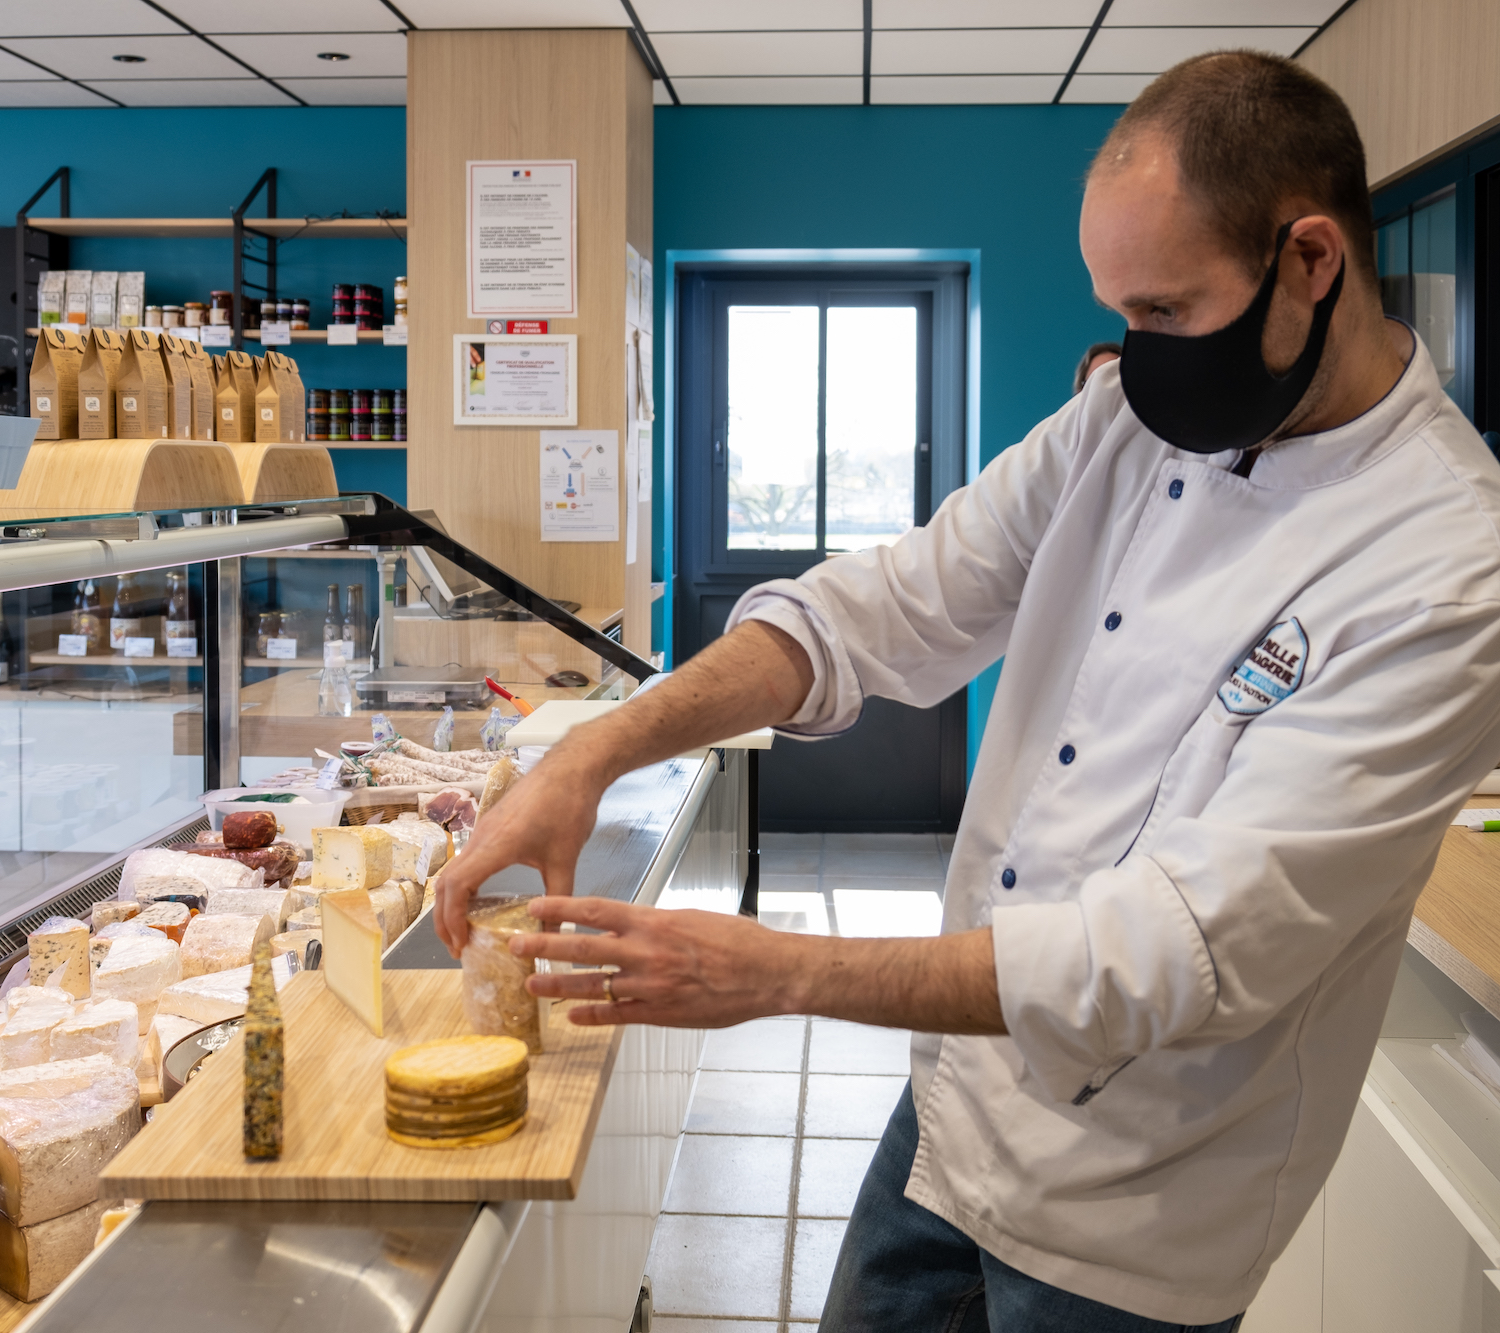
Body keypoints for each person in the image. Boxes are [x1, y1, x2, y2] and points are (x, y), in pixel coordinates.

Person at [435, 52, 1500, 1331]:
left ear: (1309, 260)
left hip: (1143, 1205)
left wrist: (782, 973)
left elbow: (1176, 951)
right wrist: (591, 750)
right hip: (950, 1117)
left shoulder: (1445, 565)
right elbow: (876, 605)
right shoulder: (1120, 423)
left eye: (1163, 309)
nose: (1131, 353)